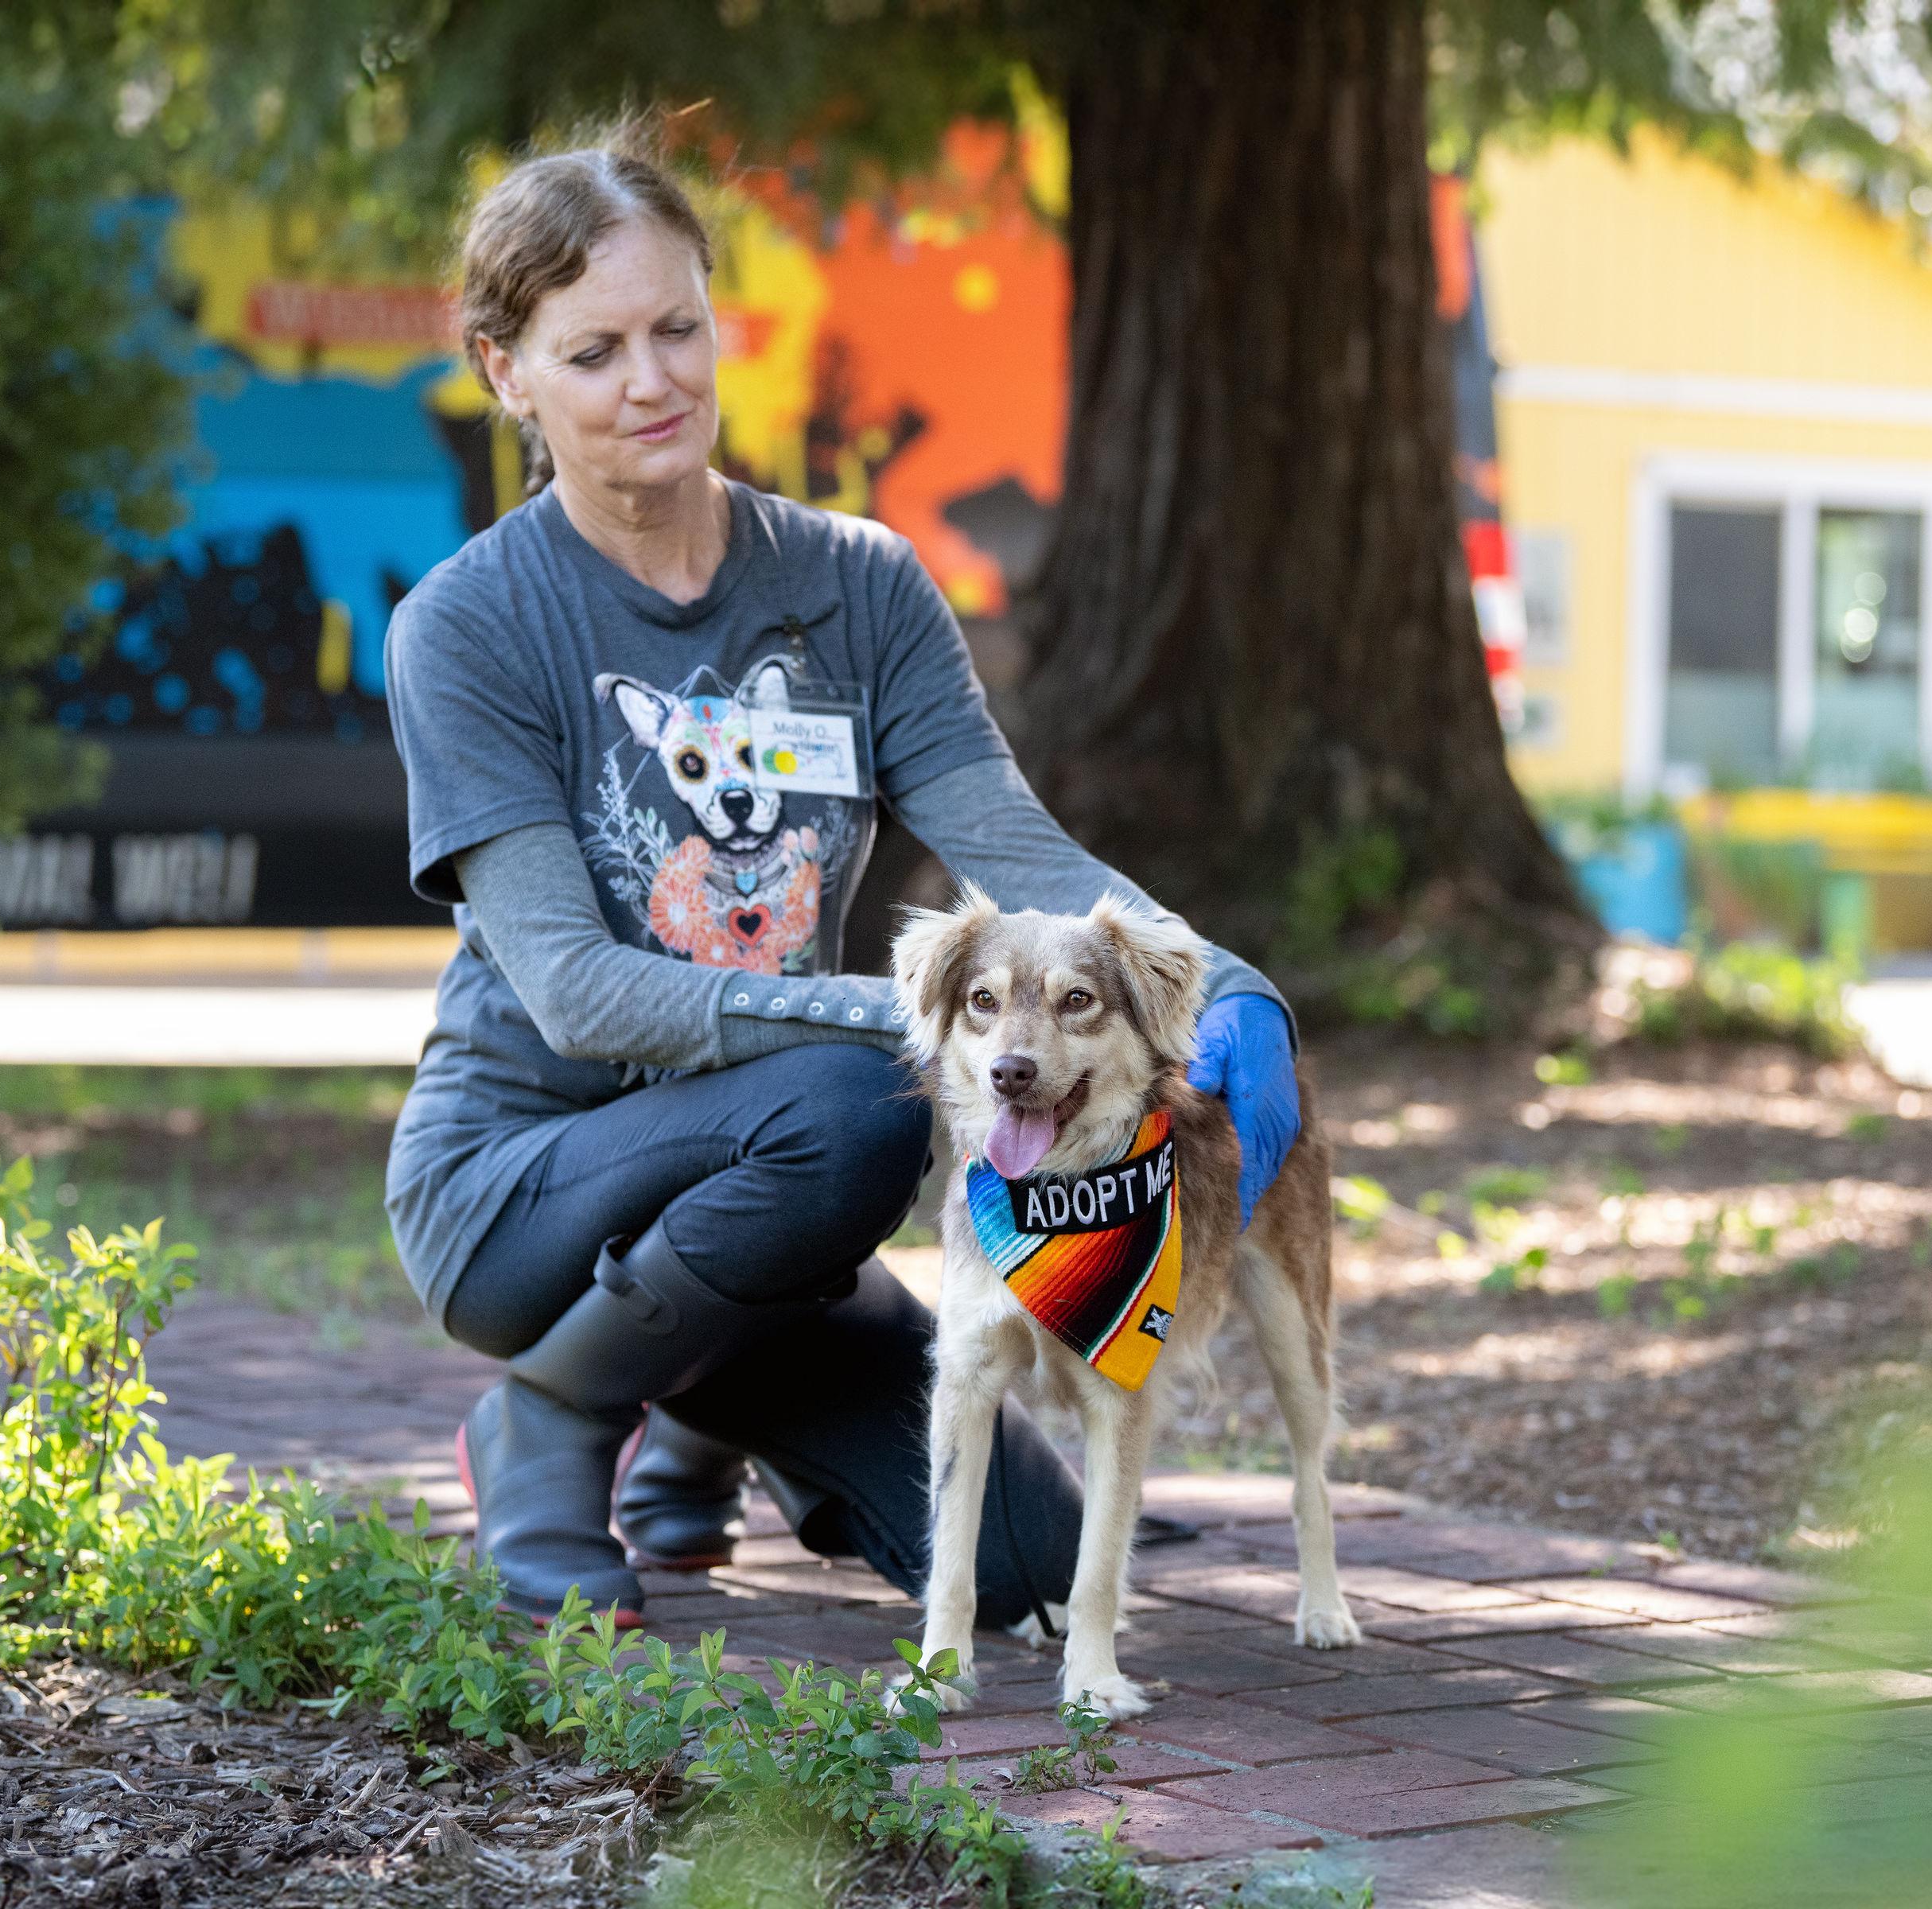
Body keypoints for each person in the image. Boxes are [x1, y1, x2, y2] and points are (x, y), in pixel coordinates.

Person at [383, 139, 1303, 1625]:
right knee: (857, 1102)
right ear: (507, 370)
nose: (651, 381)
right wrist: (892, 1011)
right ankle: (551, 1418)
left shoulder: (859, 586)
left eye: (678, 327)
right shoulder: (470, 625)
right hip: (523, 1189)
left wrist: (1237, 989)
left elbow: (1018, 853)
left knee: (1018, 1570)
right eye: (594, 350)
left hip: (771, 1203)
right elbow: (574, 987)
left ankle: (699, 1401)